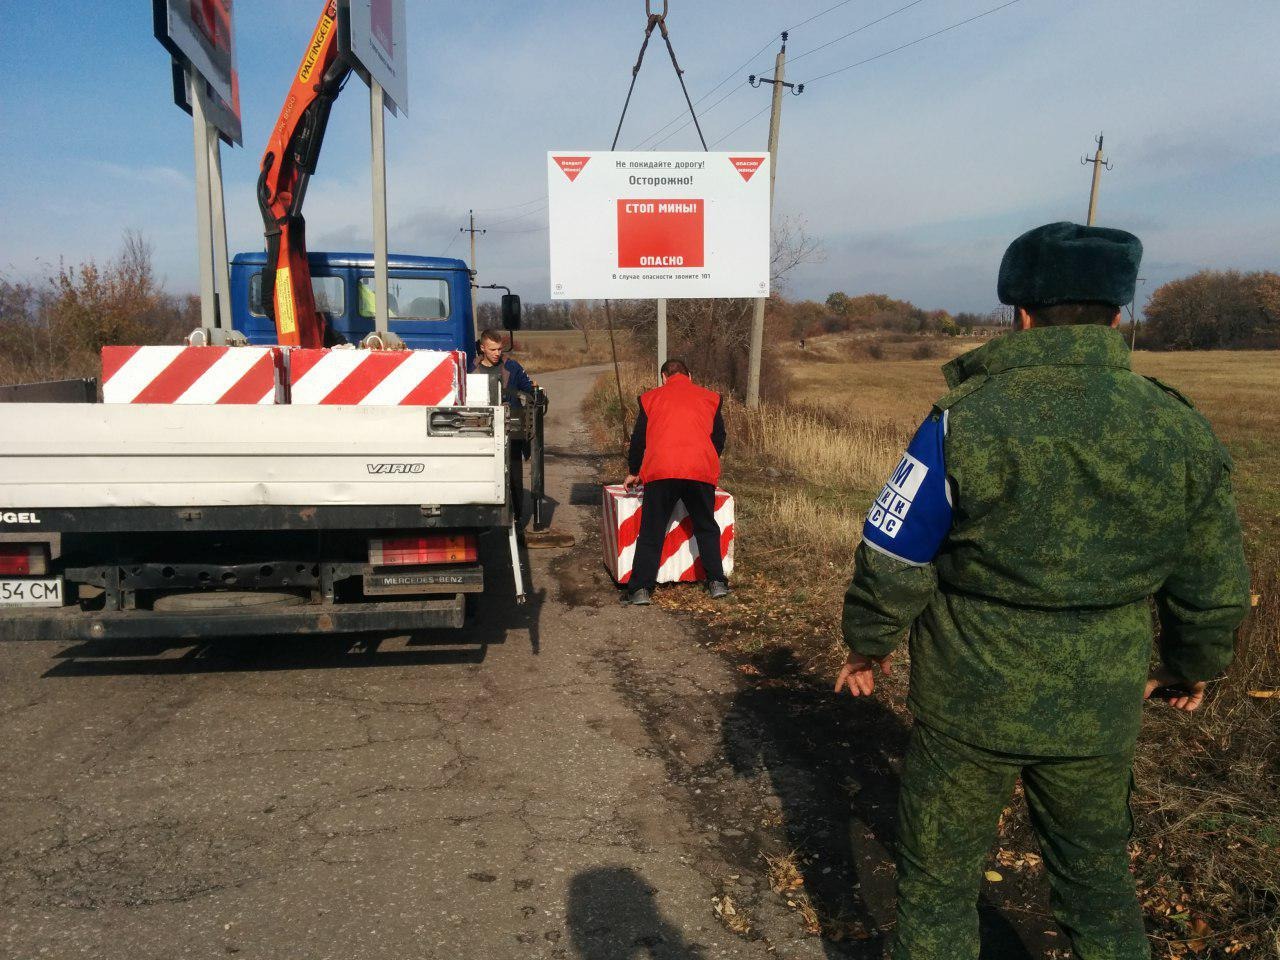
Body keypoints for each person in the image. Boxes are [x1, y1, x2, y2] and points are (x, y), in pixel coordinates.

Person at [835, 222, 1251, 959]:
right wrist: (1191, 666)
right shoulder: (1179, 429)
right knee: (1098, 892)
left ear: (1018, 313)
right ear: (1119, 316)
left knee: (936, 886)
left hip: (969, 704)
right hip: (1099, 709)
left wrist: (867, 645)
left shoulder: (962, 420)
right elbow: (1212, 586)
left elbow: (895, 553)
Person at [622, 359, 730, 605]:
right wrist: (704, 458)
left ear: (663, 377)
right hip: (699, 470)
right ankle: (716, 582)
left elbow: (639, 438)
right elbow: (719, 437)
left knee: (652, 530)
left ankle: (640, 590)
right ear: (689, 375)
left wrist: (634, 470)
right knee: (706, 527)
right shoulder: (710, 398)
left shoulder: (650, 399)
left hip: (661, 471)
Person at [472, 329, 538, 524]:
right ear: (482, 348)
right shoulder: (471, 370)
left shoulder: (513, 368)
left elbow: (529, 391)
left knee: (515, 478)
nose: (497, 353)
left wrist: (534, 394)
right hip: (482, 433)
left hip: (512, 432)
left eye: (499, 349)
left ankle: (518, 519)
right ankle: (485, 517)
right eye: (492, 349)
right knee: (486, 476)